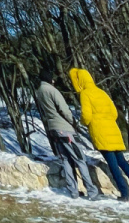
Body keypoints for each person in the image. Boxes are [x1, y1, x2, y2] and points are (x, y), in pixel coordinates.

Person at [70, 68, 129, 202]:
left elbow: (86, 116)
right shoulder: (102, 92)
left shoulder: (85, 94)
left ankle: (125, 194)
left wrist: (84, 122)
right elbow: (114, 113)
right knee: (123, 163)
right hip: (113, 131)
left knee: (113, 166)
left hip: (101, 132)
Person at [34, 68, 99, 200]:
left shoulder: (39, 92)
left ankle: (73, 191)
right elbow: (64, 109)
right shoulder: (52, 91)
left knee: (66, 160)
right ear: (48, 78)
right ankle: (92, 191)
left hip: (53, 129)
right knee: (79, 159)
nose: (54, 80)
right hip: (64, 128)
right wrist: (73, 122)